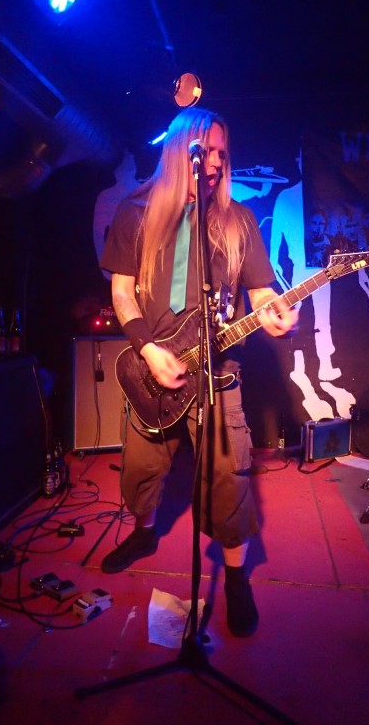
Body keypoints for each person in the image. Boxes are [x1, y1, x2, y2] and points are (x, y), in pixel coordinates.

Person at [99, 108, 298, 638]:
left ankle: (235, 580)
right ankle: (144, 532)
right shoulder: (135, 213)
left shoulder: (238, 220)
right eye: (204, 152)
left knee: (230, 480)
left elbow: (261, 291)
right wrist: (147, 349)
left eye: (221, 154)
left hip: (218, 372)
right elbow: (121, 292)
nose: (213, 163)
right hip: (153, 366)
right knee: (141, 471)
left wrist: (276, 313)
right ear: (178, 151)